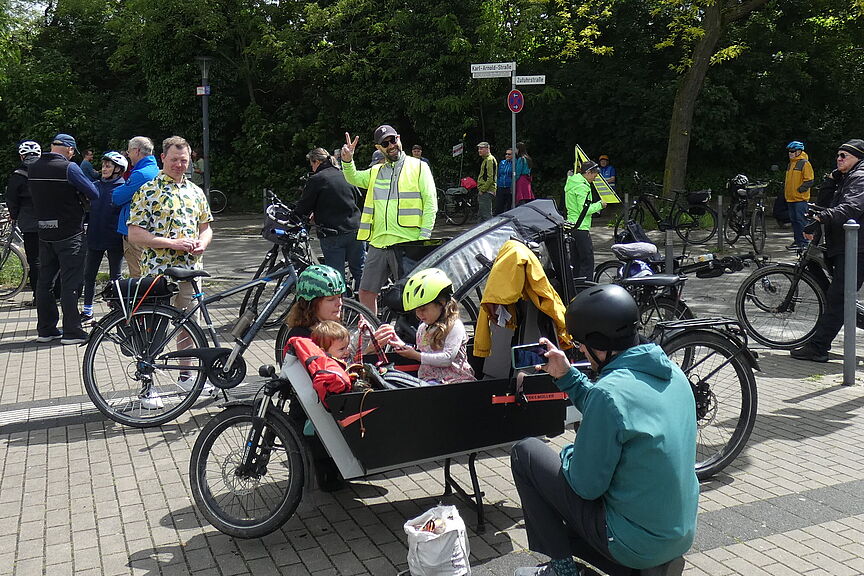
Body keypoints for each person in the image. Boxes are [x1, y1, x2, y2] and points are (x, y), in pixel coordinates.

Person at [511, 284, 698, 576]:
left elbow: (586, 485)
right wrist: (566, 376)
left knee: (526, 453)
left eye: (581, 344)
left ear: (600, 343)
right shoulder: (673, 373)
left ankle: (562, 568)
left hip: (634, 543)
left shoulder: (609, 394)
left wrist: (571, 452)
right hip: (677, 534)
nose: (580, 349)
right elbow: (614, 409)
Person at [127, 136, 214, 407]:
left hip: (190, 271)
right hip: (159, 273)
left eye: (184, 160)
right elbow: (134, 234)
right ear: (163, 158)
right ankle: (147, 387)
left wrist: (202, 243)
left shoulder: (195, 191)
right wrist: (172, 243)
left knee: (189, 326)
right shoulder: (148, 190)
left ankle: (187, 377)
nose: (179, 165)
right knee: (155, 328)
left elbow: (206, 226)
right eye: (175, 160)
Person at [340, 124, 437, 315]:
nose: (391, 145)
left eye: (393, 140)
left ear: (399, 138)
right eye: (385, 143)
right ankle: (372, 333)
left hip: (407, 243)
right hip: (378, 243)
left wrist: (423, 238)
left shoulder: (419, 167)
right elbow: (353, 178)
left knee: (410, 295)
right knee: (366, 291)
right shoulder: (376, 171)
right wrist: (348, 161)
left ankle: (411, 337)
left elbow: (431, 204)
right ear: (379, 148)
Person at [791, 139, 864, 363]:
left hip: (857, 248)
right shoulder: (846, 177)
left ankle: (818, 347)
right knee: (842, 297)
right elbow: (826, 202)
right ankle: (818, 345)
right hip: (846, 246)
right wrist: (831, 179)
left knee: (839, 298)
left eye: (845, 156)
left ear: (858, 158)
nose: (839, 159)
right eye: (838, 155)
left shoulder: (860, 177)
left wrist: (825, 216)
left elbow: (852, 206)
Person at [27, 133, 99, 344]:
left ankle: (46, 330)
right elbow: (93, 192)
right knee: (71, 282)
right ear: (69, 149)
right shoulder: (69, 168)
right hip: (70, 233)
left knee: (44, 282)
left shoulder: (33, 167)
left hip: (44, 232)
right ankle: (72, 331)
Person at [375, 268, 475, 384]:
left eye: (423, 309)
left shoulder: (454, 326)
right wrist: (402, 345)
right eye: (416, 310)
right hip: (428, 381)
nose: (419, 314)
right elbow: (425, 351)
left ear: (441, 303)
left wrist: (417, 356)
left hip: (454, 382)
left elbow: (447, 359)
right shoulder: (423, 327)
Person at [296, 148, 365, 291]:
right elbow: (357, 198)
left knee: (336, 277)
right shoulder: (345, 175)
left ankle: (343, 309)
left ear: (316, 162)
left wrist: (294, 216)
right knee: (360, 272)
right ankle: (366, 309)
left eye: (311, 164)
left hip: (332, 234)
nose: (312, 168)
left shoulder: (317, 179)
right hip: (356, 230)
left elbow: (303, 207)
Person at [80, 152, 127, 324]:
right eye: (104, 165)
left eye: (109, 165)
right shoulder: (95, 185)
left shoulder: (123, 187)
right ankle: (87, 311)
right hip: (95, 236)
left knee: (115, 277)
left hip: (114, 239)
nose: (104, 168)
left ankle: (118, 311)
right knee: (89, 275)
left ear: (118, 169)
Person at [112, 136, 159, 277]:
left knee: (138, 275)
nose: (128, 155)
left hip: (136, 233)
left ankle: (141, 300)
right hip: (149, 230)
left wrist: (118, 189)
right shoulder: (155, 170)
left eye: (129, 152)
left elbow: (117, 197)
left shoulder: (141, 174)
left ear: (137, 151)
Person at [5, 140, 42, 302]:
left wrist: (13, 215)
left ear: (22, 156)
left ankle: (38, 296)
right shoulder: (49, 171)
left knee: (35, 260)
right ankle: (57, 293)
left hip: (30, 224)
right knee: (53, 258)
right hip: (53, 222)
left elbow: (11, 199)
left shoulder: (18, 176)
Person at [565, 160, 606, 279]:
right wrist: (600, 205)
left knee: (575, 261)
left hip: (572, 226)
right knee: (587, 261)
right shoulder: (582, 187)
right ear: (588, 172)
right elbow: (584, 209)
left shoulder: (572, 183)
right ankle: (586, 289)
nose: (596, 177)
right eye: (594, 174)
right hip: (581, 227)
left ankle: (575, 289)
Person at [283, 264, 346, 340]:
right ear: (311, 304)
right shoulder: (301, 339)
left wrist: (362, 335)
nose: (339, 303)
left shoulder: (333, 329)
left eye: (339, 297)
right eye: (330, 299)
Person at [784, 140, 815, 250]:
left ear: (799, 151)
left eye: (792, 151)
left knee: (801, 220)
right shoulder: (791, 164)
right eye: (789, 151)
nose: (790, 153)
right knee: (794, 221)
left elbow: (809, 180)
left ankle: (805, 243)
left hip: (800, 199)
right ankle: (798, 241)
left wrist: (799, 190)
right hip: (790, 198)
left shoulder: (804, 163)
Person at [476, 142, 497, 222]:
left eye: (481, 148)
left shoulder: (489, 160)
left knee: (486, 216)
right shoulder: (486, 160)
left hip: (486, 191)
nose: (479, 150)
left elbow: (490, 177)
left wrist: (483, 190)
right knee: (481, 215)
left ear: (488, 149)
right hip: (486, 191)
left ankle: (490, 232)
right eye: (479, 149)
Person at [496, 148, 513, 215]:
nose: (507, 155)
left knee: (508, 206)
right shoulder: (502, 162)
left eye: (509, 154)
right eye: (506, 154)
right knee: (499, 206)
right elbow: (499, 174)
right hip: (501, 186)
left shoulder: (515, 163)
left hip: (509, 186)